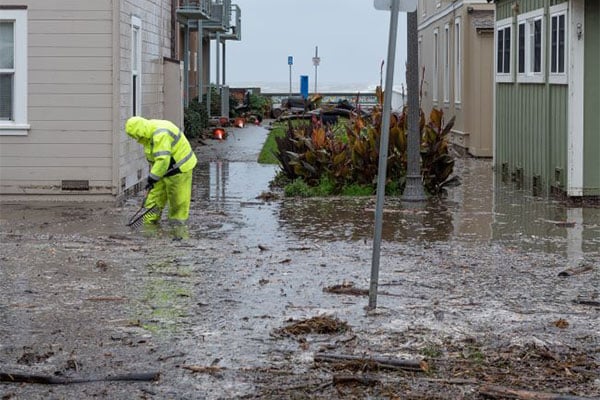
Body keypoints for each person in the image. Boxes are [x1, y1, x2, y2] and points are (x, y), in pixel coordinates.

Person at [125, 116, 197, 227]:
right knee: (154, 197)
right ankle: (148, 226)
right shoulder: (148, 134)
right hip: (162, 170)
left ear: (141, 131)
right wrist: (154, 177)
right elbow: (158, 160)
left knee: (177, 201)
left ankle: (178, 231)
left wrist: (152, 177)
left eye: (137, 136)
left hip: (179, 169)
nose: (137, 139)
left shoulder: (160, 134)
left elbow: (163, 159)